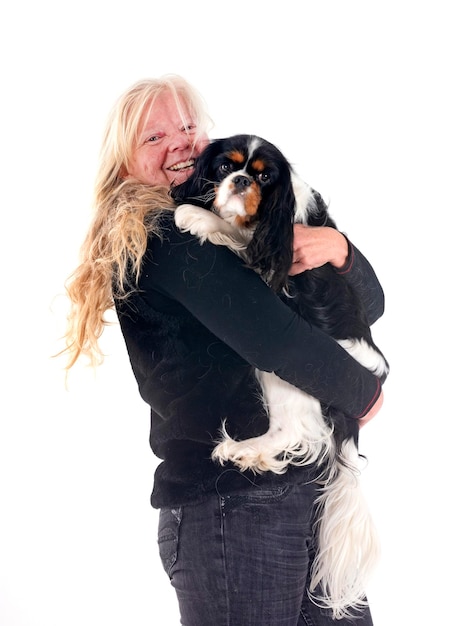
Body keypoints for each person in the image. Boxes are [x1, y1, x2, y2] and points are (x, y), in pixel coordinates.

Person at [63, 74, 385, 625]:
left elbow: (367, 307)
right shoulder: (161, 235)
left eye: (187, 127)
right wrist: (365, 394)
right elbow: (275, 339)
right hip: (230, 504)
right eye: (153, 137)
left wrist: (337, 248)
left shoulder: (227, 219)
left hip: (301, 488)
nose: (180, 143)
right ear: (123, 162)